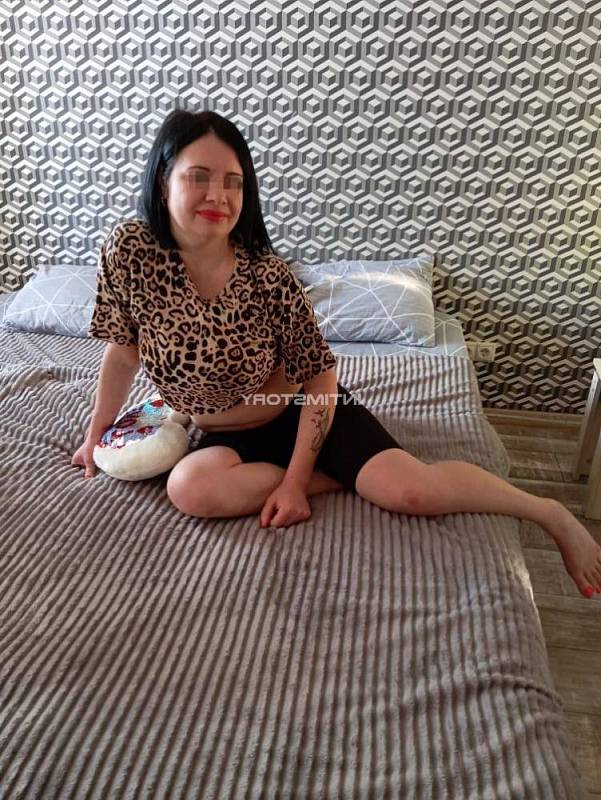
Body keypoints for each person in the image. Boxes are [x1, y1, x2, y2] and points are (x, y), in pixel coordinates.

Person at [72, 107, 601, 600]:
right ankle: (338, 478)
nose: (219, 195)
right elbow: (123, 353)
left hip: (302, 410)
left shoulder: (266, 274)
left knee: (410, 493)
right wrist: (96, 435)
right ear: (163, 179)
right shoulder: (130, 252)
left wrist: (295, 484)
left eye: (234, 181)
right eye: (199, 176)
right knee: (189, 489)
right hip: (221, 431)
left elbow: (321, 378)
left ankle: (547, 511)